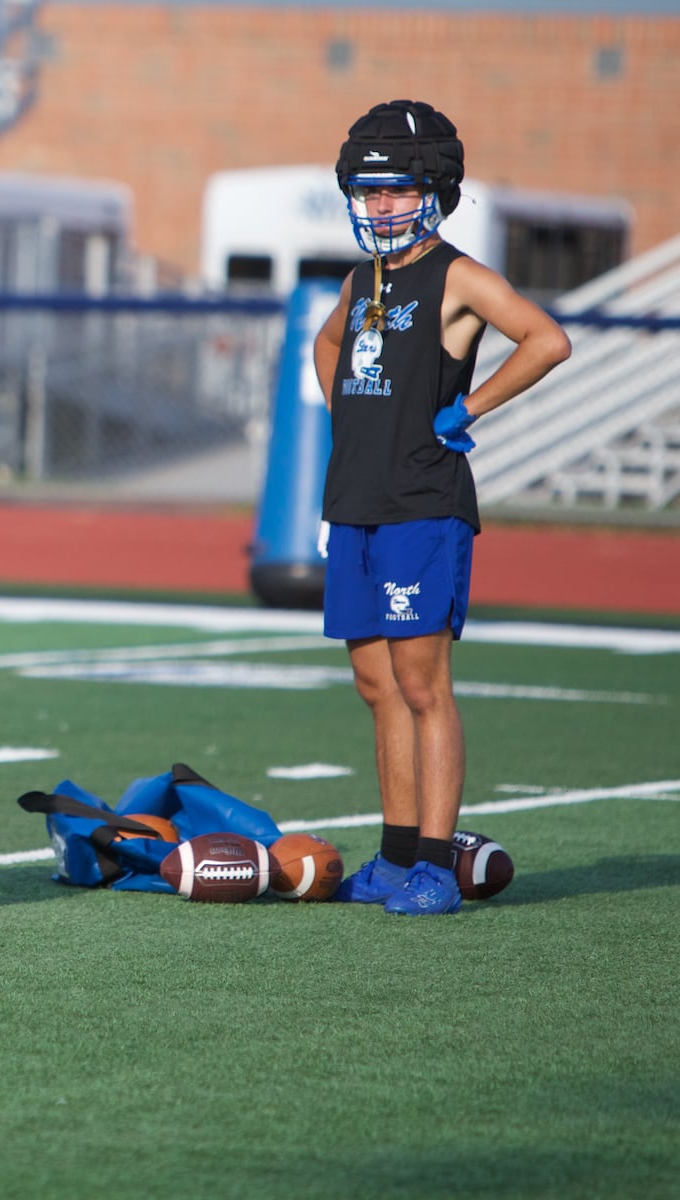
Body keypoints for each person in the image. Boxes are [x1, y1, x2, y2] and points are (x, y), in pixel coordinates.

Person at [312, 99, 571, 915]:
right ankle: (390, 860)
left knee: (422, 683)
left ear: (434, 190)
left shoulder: (456, 275)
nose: (377, 207)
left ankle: (432, 863)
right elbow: (326, 346)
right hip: (352, 501)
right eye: (365, 192)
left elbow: (545, 339)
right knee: (373, 681)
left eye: (393, 191)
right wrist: (349, 417)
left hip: (422, 504)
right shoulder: (363, 278)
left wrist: (468, 409)